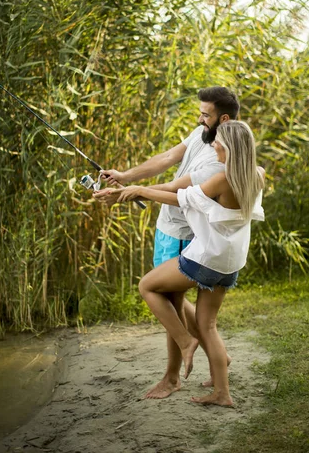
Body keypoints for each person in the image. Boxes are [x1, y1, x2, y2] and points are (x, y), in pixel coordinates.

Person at [94, 87, 240, 398]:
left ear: (222, 119)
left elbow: (176, 188)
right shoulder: (205, 133)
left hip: (184, 234)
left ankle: (172, 377)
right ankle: (219, 362)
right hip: (167, 228)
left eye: (205, 114)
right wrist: (126, 176)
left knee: (167, 299)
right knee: (175, 301)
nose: (200, 118)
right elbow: (170, 156)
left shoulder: (219, 161)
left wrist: (127, 193)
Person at [115, 120, 265, 407]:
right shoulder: (256, 175)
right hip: (231, 264)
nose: (214, 145)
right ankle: (222, 393)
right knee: (208, 326)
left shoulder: (222, 179)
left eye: (218, 142)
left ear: (230, 146)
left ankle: (185, 341)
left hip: (207, 258)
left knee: (147, 286)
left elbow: (181, 198)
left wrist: (141, 191)